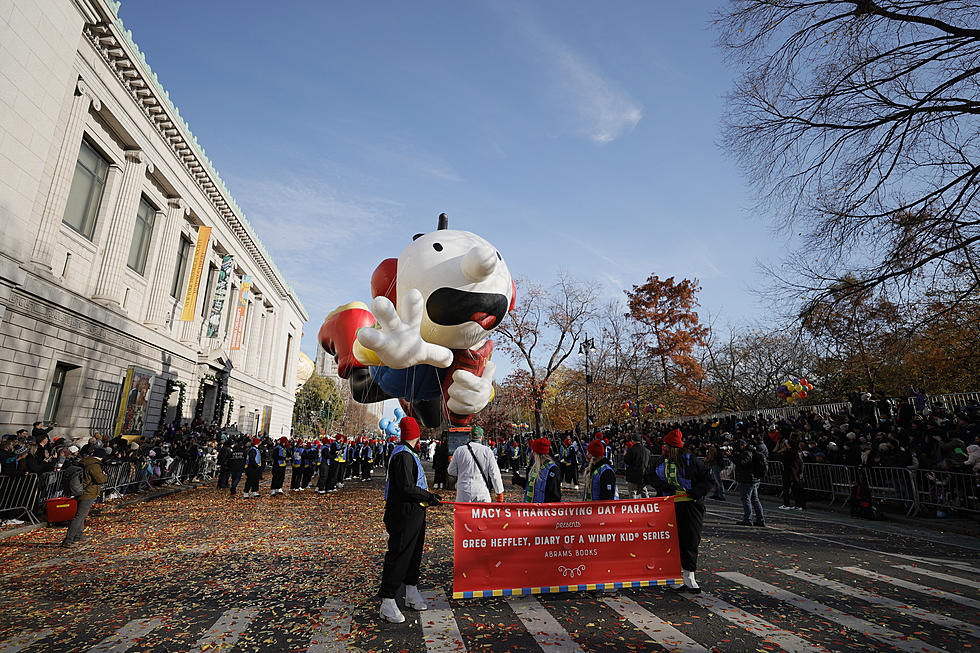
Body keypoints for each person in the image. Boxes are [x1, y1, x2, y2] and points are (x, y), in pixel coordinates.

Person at [378, 416, 444, 624]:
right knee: (400, 554)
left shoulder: (407, 453)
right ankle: (388, 600)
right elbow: (406, 486)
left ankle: (411, 590)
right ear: (415, 433)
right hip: (403, 513)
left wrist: (427, 499)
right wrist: (429, 497)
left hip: (414, 512)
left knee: (413, 553)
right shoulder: (403, 456)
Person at [647, 429, 712, 593]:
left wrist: (696, 492)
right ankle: (674, 576)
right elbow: (650, 476)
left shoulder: (691, 461)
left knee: (690, 540)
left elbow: (708, 480)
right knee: (671, 542)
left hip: (690, 506)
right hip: (668, 507)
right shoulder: (661, 462)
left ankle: (689, 576)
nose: (663, 448)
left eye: (666, 445)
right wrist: (663, 487)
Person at [61, 447, 107, 547]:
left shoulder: (85, 461)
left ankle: (78, 536)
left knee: (81, 515)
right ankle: (69, 539)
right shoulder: (94, 465)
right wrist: (105, 475)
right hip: (88, 492)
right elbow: (100, 479)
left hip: (81, 490)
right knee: (79, 516)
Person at [447, 426, 504, 503]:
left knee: (464, 514)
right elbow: (494, 473)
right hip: (482, 491)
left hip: (463, 491)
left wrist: (463, 472)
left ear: (470, 436)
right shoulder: (487, 451)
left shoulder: (459, 450)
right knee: (481, 514)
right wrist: (499, 492)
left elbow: (451, 471)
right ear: (482, 437)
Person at [513, 437, 561, 503]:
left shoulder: (552, 470)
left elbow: (554, 496)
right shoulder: (536, 467)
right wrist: (519, 480)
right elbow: (533, 486)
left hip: (542, 511)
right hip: (532, 509)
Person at [733, 440, 766, 527]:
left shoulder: (747, 453)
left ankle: (748, 519)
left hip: (747, 479)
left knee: (746, 499)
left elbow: (741, 463)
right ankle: (760, 520)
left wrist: (731, 457)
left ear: (743, 445)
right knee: (755, 500)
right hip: (753, 479)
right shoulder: (752, 451)